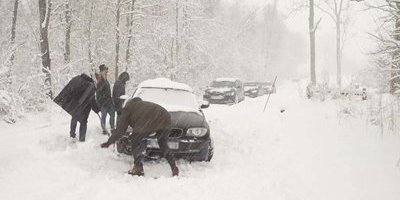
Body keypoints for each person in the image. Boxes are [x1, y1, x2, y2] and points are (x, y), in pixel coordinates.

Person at [100, 97, 179, 177]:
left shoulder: (128, 108)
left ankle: (138, 167)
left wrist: (109, 142)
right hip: (166, 118)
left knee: (134, 139)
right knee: (163, 143)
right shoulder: (142, 105)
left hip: (149, 122)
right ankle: (174, 167)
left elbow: (121, 130)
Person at [53, 73, 100, 142]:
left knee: (74, 117)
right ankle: (82, 139)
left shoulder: (79, 79)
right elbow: (92, 100)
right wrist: (97, 109)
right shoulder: (90, 86)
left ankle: (72, 135)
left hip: (74, 104)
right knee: (83, 122)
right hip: (82, 107)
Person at [96, 64, 115, 134]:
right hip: (103, 103)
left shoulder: (106, 80)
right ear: (101, 71)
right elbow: (98, 94)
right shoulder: (100, 81)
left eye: (107, 70)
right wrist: (100, 102)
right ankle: (104, 130)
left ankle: (112, 128)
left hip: (109, 102)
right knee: (103, 117)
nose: (106, 72)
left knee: (112, 115)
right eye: (105, 70)